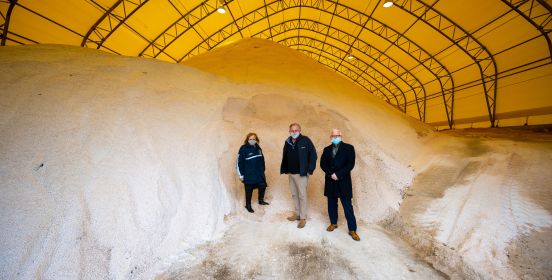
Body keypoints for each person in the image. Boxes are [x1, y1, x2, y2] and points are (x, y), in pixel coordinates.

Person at [320, 128, 360, 241]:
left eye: (337, 135)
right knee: (331, 204)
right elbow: (322, 164)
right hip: (330, 180)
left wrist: (338, 174)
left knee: (347, 205)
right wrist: (330, 174)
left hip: (343, 181)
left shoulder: (349, 148)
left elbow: (350, 164)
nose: (335, 137)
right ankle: (333, 223)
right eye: (333, 136)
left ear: (341, 136)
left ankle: (352, 229)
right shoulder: (326, 149)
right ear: (330, 137)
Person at [280, 123, 317, 228]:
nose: (294, 132)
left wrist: (310, 169)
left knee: (302, 195)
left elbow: (313, 155)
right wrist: (285, 169)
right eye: (292, 130)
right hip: (291, 173)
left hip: (301, 173)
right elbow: (285, 155)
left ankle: (303, 218)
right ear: (289, 131)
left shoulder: (305, 140)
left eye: (296, 130)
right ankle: (297, 214)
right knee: (294, 194)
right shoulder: (287, 141)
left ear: (300, 130)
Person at [237, 132, 269, 213]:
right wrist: (241, 175)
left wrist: (263, 169)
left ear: (256, 140)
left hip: (259, 173)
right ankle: (248, 205)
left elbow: (262, 159)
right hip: (249, 174)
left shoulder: (258, 148)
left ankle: (260, 200)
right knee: (249, 190)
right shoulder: (243, 148)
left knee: (262, 185)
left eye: (254, 139)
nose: (252, 140)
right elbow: (239, 162)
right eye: (250, 139)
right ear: (247, 140)